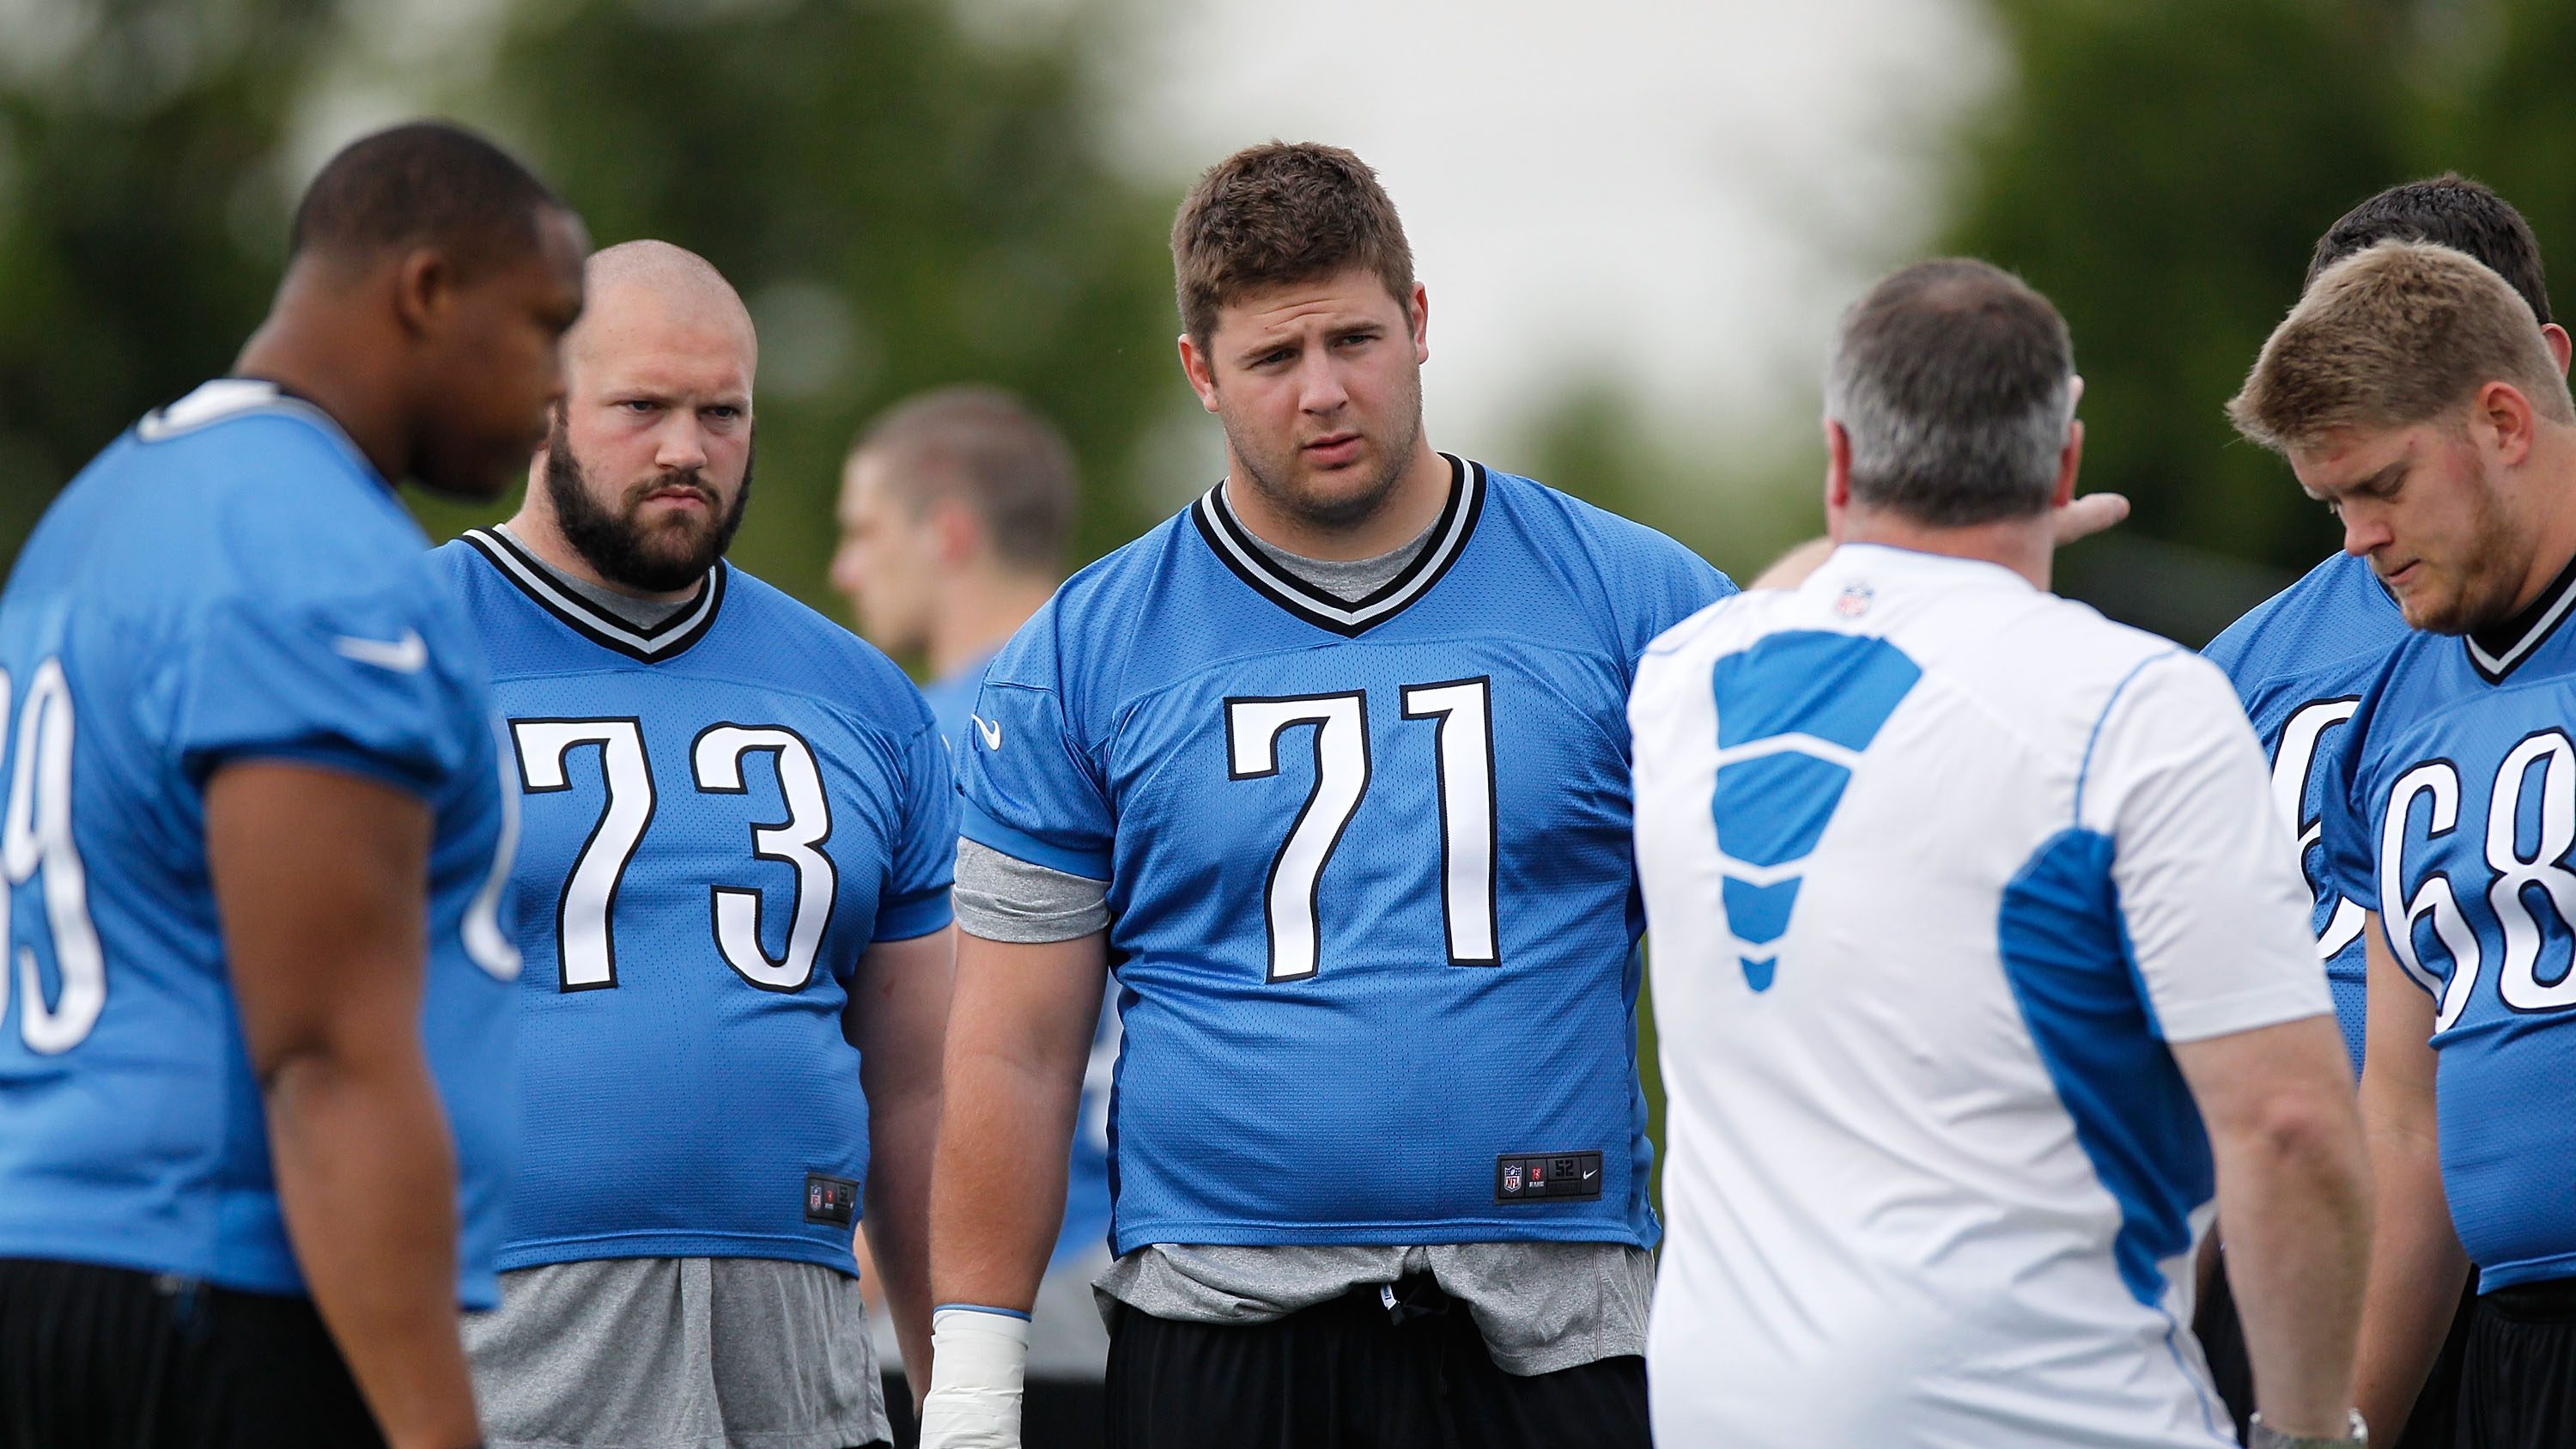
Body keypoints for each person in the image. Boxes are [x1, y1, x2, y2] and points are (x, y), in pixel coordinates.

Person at [918, 141, 1726, 1449]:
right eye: (1273, 359)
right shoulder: (1087, 647)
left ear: (1418, 322)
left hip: (1556, 1312)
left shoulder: (1635, 601)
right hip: (1220, 1331)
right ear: (1200, 371)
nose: (1324, 392)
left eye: (1353, 339)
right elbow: (1010, 1042)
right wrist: (971, 1380)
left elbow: (1775, 945)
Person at [1632, 259, 2371, 1448]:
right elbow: (2288, 1122)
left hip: (1725, 1409)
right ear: (2065, 461)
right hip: (2047, 1407)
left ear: (1837, 456)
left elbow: (1792, 592)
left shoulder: (1683, 685)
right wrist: (2308, 1431)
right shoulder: (2141, 705)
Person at [0, 122, 585, 1449]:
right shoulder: (306, 543)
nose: (556, 384)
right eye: (545, 325)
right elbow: (321, 1051)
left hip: (55, 1254)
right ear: (427, 290)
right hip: (214, 1280)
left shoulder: (109, 501)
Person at [437, 241, 955, 1449]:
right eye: (642, 407)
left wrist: (960, 1390)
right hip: (497, 1320)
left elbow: (923, 1088)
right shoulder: (395, 654)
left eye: (721, 411)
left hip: (800, 1320)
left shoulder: (862, 697)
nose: (686, 447)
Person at [2197, 173, 2567, 1446]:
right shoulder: (2401, 686)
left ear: (2509, 412)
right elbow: (2404, 1125)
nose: (2358, 540)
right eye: (2333, 500)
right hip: (2480, 1319)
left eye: (2384, 484)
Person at [832, 387, 1115, 1444]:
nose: (846, 570)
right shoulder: (1132, 705)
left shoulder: (940, 738)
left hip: (988, 1285)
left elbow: (937, 1052)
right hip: (1161, 1278)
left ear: (947, 530)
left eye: (862, 531)